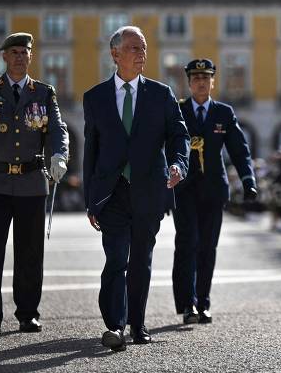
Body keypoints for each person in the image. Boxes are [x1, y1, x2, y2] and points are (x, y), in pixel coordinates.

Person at [83, 26, 190, 351]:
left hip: (149, 189)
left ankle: (137, 322)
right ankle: (115, 324)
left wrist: (178, 163)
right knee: (116, 258)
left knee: (141, 258)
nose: (141, 53)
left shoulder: (161, 94)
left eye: (143, 48)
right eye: (133, 48)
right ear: (115, 54)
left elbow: (179, 135)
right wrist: (92, 200)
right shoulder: (95, 97)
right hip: (112, 192)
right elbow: (92, 152)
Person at [0, 32, 69, 337]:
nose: (21, 57)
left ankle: (27, 314)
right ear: (5, 57)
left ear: (30, 57)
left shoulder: (44, 92)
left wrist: (59, 154)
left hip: (31, 183)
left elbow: (57, 128)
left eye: (25, 52)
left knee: (30, 252)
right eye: (15, 52)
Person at [172, 59, 257, 324]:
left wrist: (248, 179)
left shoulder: (223, 113)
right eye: (195, 78)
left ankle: (203, 302)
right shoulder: (177, 110)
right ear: (188, 83)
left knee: (208, 247)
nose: (200, 82)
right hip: (183, 190)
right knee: (187, 244)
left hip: (213, 189)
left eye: (205, 78)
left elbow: (238, 149)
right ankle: (188, 304)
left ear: (213, 82)